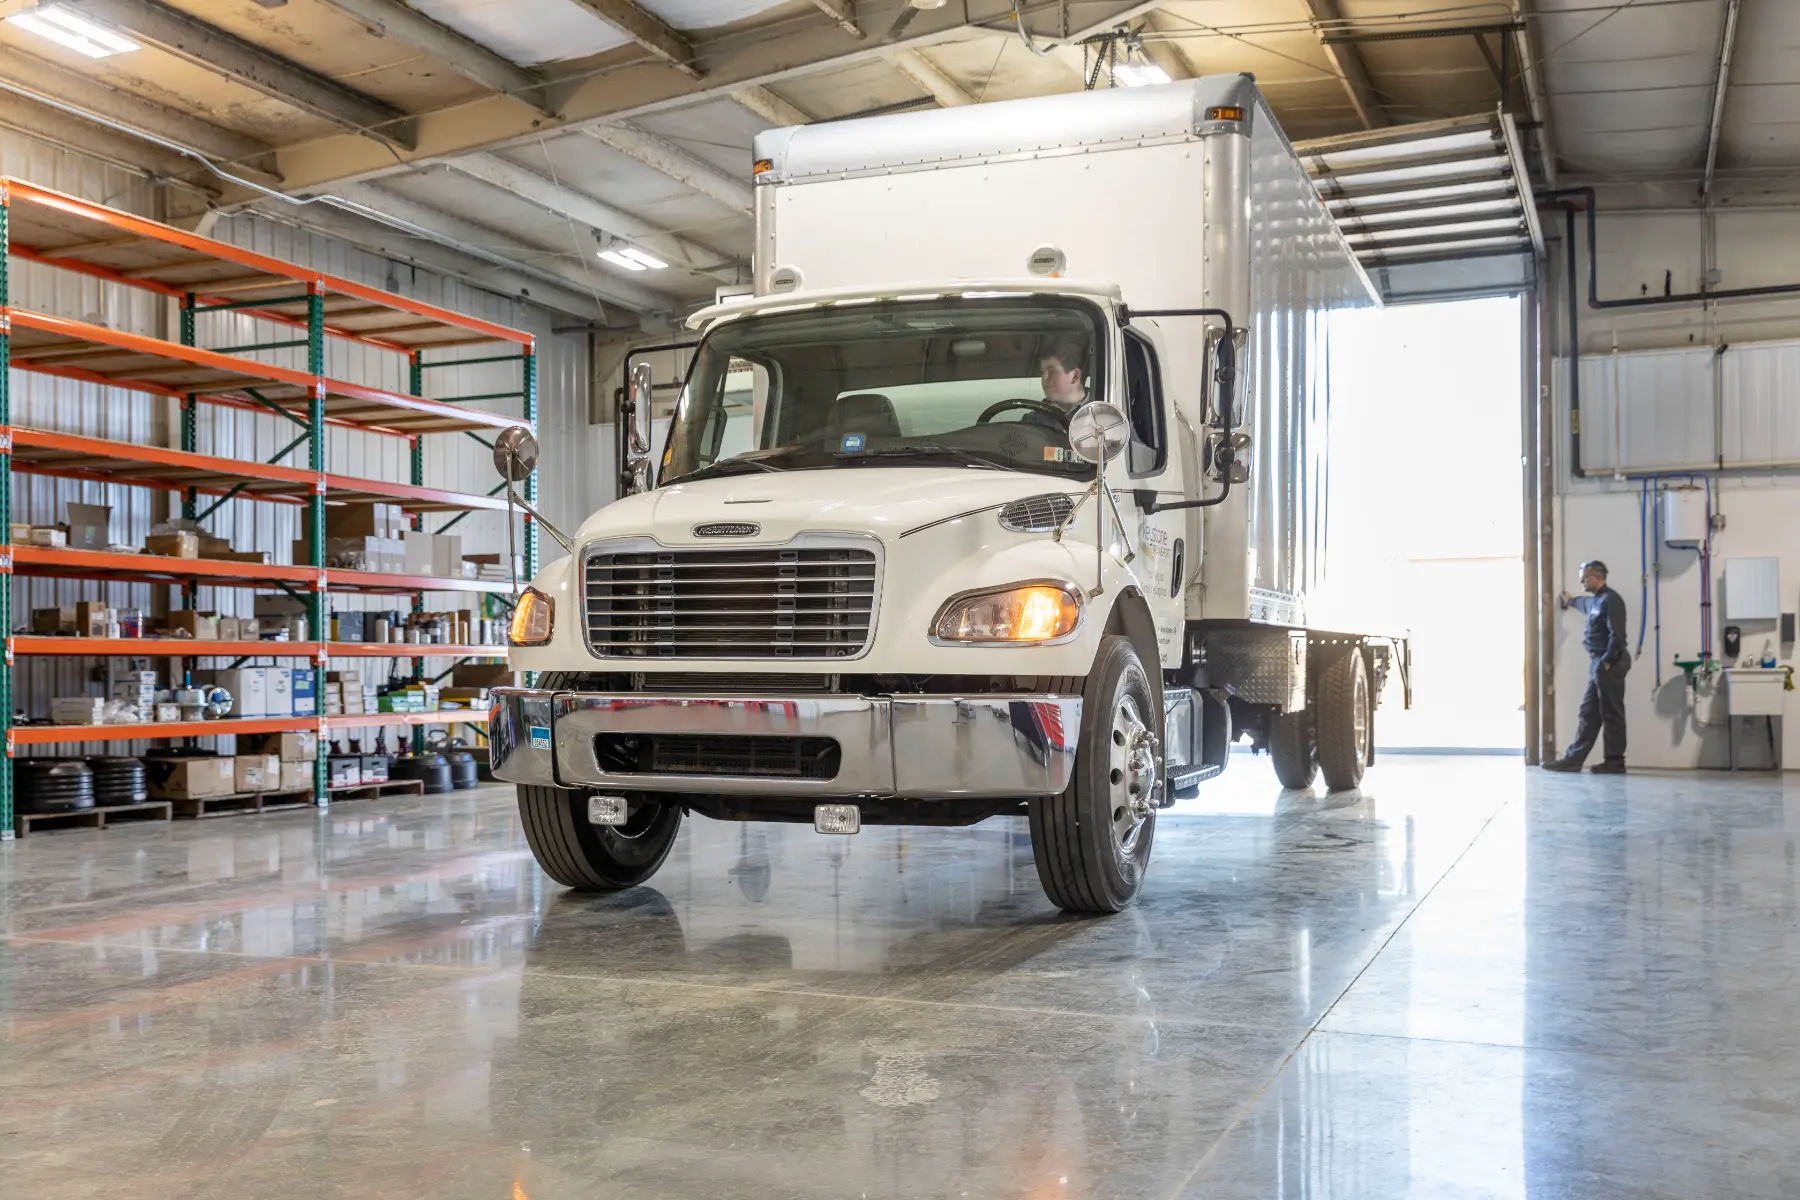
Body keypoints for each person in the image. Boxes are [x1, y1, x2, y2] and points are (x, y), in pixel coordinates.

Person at [1545, 559, 1630, 774]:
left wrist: (1607, 662)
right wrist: (1571, 601)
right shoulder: (1596, 602)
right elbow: (1584, 603)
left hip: (1609, 662)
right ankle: (1573, 760)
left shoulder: (1612, 601)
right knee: (1589, 712)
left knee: (1611, 714)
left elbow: (1618, 636)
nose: (1581, 581)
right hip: (1599, 664)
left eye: (1584, 578)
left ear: (1596, 577)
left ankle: (1615, 762)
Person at [1038, 337, 1089, 413]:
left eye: (1052, 371)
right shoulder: (1034, 419)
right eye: (1042, 372)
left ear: (1075, 376)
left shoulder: (1103, 412)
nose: (1044, 379)